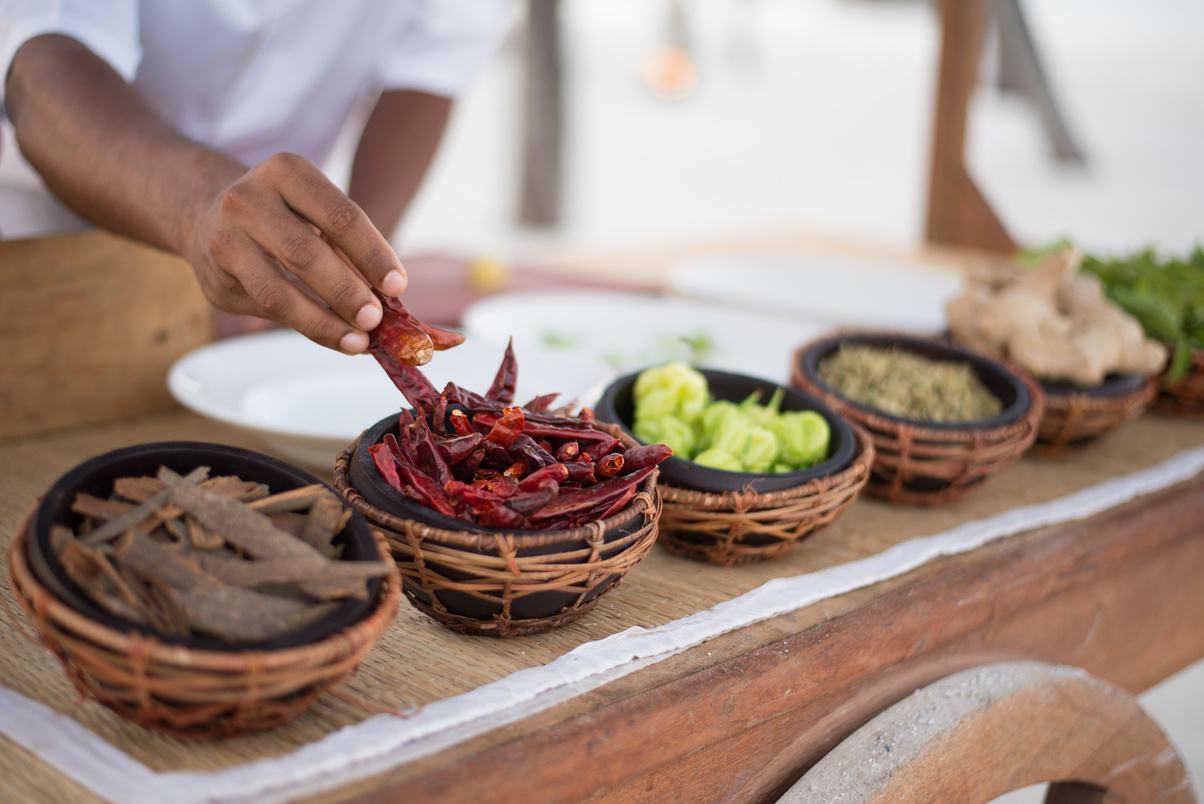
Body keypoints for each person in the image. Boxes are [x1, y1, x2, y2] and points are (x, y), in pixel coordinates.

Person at [0, 1, 509, 354]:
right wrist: (199, 206)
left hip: (278, 244)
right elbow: (40, 61)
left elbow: (433, 59)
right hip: (45, 238)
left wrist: (353, 278)